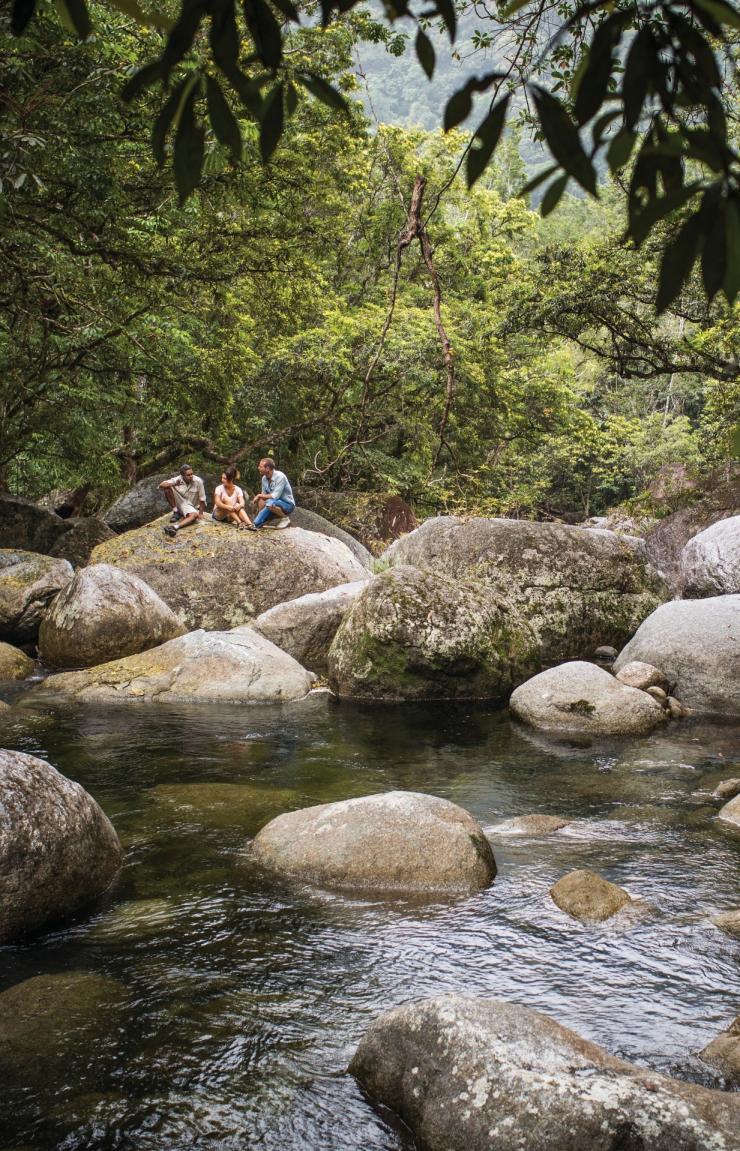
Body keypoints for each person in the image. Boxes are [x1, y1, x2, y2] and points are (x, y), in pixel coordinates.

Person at [160, 464, 207, 536]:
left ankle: (174, 527)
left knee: (194, 515)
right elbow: (162, 485)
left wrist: (201, 513)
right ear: (182, 476)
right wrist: (173, 484)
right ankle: (176, 511)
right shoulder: (178, 479)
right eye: (188, 475)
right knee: (167, 489)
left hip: (190, 505)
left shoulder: (198, 481)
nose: (191, 476)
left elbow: (202, 499)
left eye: (192, 474)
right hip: (180, 501)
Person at [250, 457, 295, 530]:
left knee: (269, 502)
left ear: (267, 468)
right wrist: (261, 516)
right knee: (256, 523)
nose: (258, 468)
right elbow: (263, 496)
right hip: (272, 504)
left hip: (287, 504)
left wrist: (259, 495)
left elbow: (275, 496)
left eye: (260, 467)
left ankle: (285, 518)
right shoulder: (264, 478)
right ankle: (261, 520)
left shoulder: (280, 477)